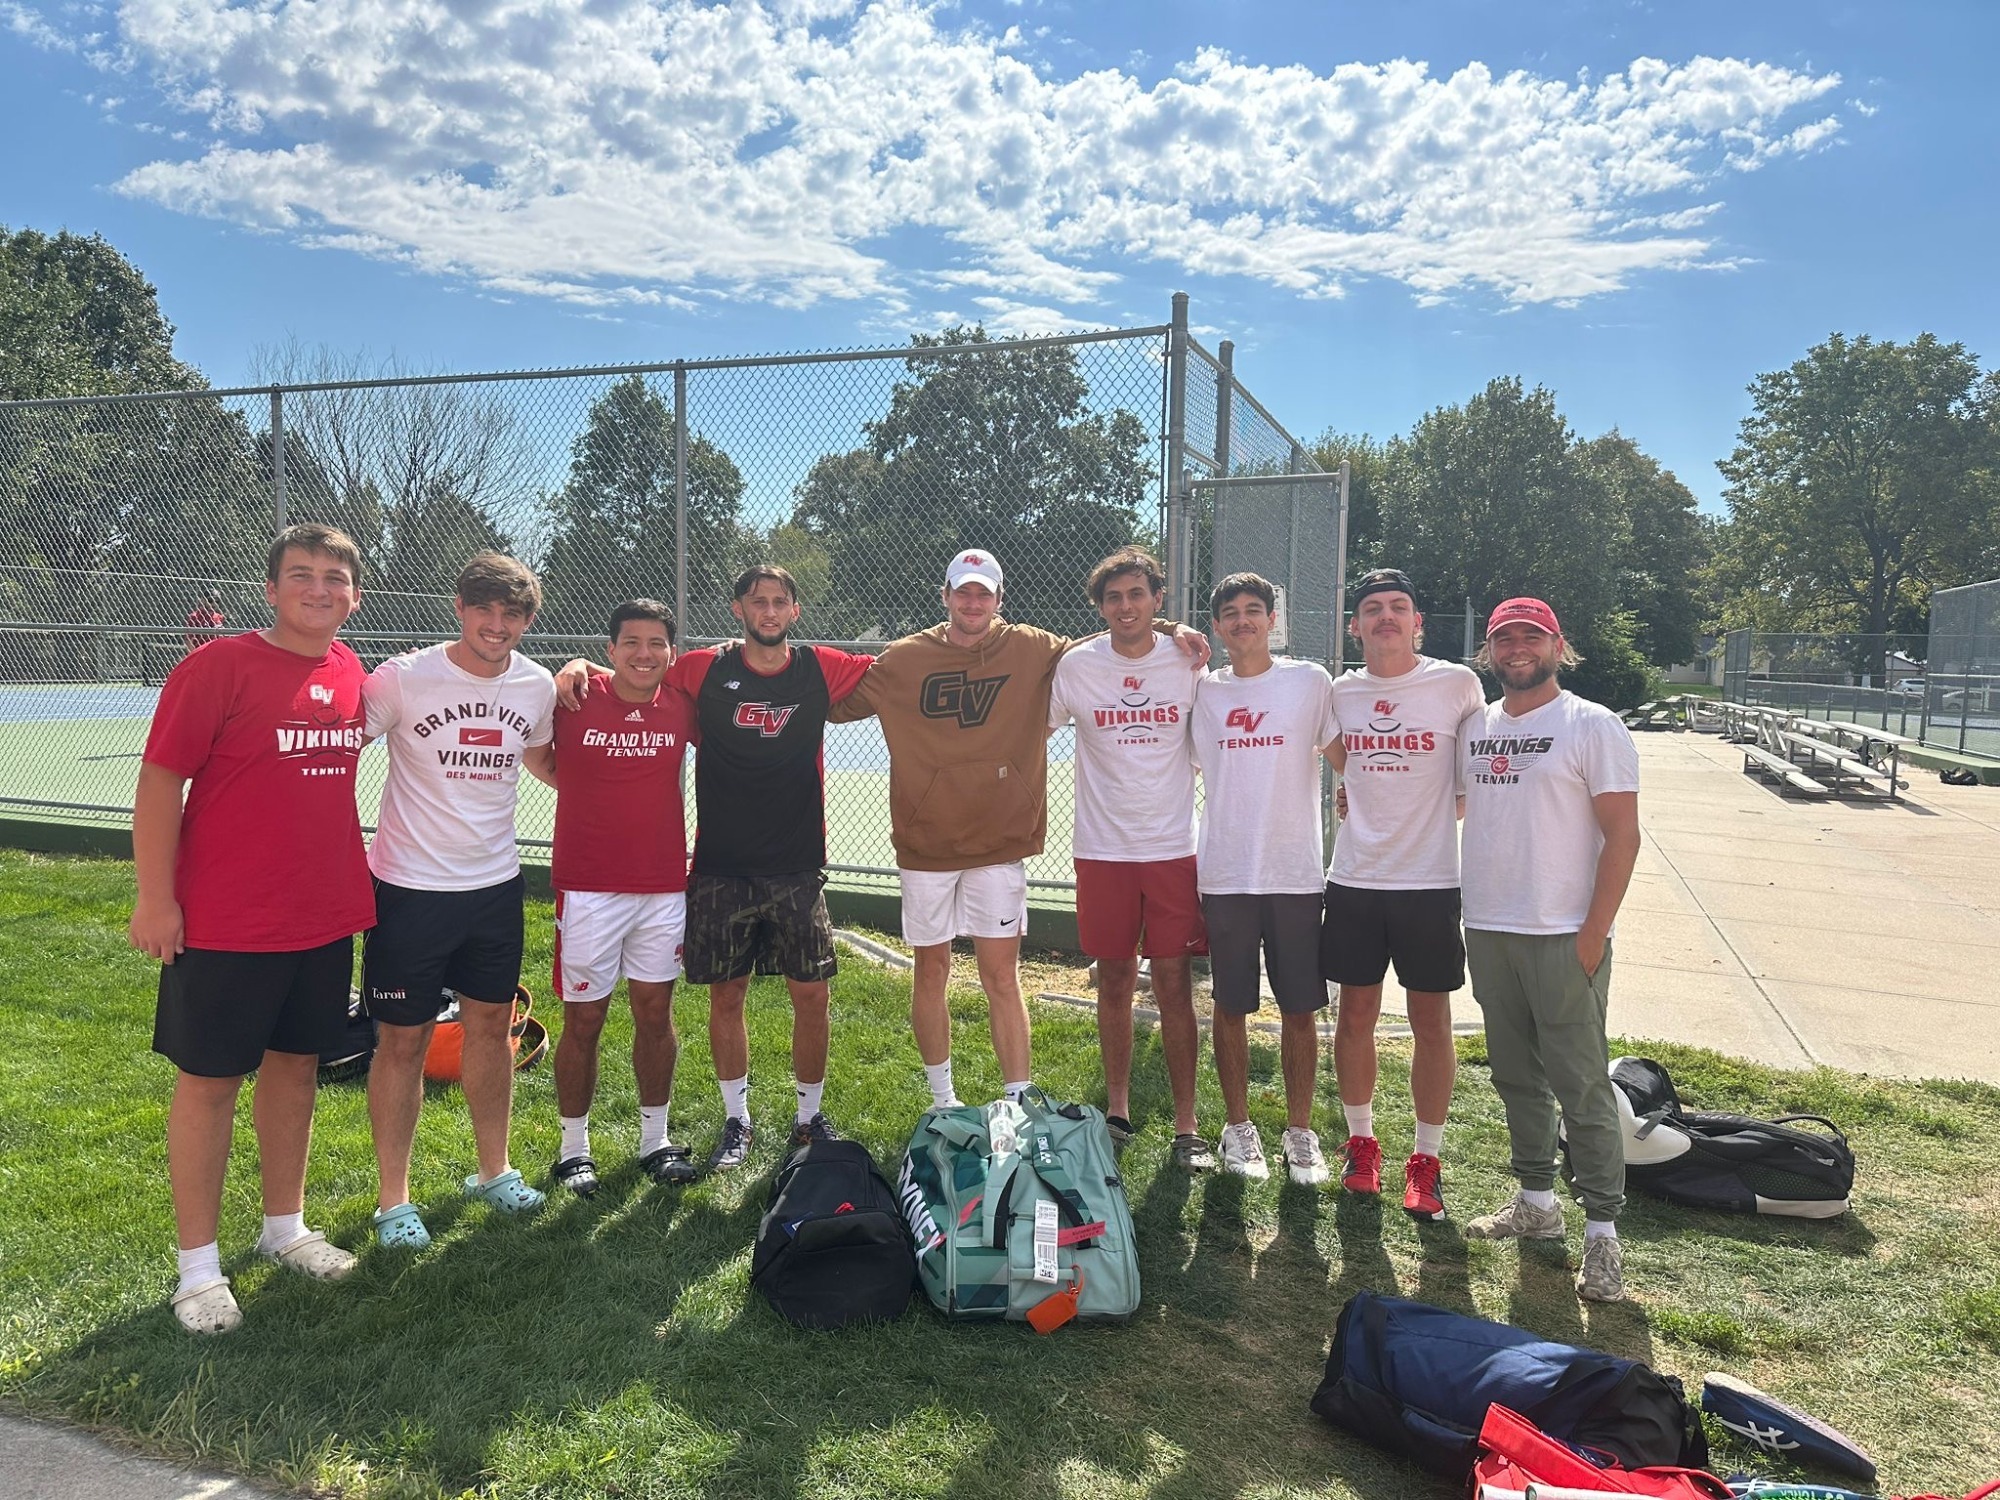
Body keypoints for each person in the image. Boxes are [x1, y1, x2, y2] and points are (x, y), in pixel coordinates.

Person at [831, 549, 1205, 1112]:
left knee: (1000, 975)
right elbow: (834, 705)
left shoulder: (1032, 646)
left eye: (984, 593)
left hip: (1000, 844)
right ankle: (942, 1101)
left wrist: (1174, 628)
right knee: (930, 970)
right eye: (963, 591)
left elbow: (1115, 636)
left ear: (999, 600)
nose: (973, 602)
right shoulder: (903, 659)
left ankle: (1017, 1099)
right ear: (946, 596)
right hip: (925, 844)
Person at [130, 523, 373, 1334]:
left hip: (321, 916)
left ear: (354, 595)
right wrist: (155, 899)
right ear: (270, 590)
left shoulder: (348, 670)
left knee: (297, 1069)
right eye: (300, 575)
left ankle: (283, 1229)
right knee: (209, 1084)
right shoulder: (218, 666)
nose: (318, 589)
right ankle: (197, 1270)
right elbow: (162, 781)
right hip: (227, 921)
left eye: (333, 577)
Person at [553, 565, 874, 1174]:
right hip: (719, 866)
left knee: (812, 995)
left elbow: (894, 675)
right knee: (726, 995)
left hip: (797, 866)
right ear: (738, 609)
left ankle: (809, 1118)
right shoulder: (700, 670)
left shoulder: (820, 667)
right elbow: (633, 669)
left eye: (781, 601)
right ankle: (737, 1119)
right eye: (759, 601)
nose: (770, 611)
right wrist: (578, 667)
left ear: (796, 611)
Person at [361, 551, 556, 1247]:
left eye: (513, 614)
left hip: (495, 891)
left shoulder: (536, 687)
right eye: (485, 609)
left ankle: (494, 1169)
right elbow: (334, 748)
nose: (497, 625)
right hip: (408, 891)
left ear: (528, 620)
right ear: (460, 608)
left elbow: (544, 759)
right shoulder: (404, 678)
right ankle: (393, 1200)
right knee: (402, 1043)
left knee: (492, 1030)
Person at [1458, 597, 1641, 1303]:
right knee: (1515, 1076)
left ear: (1558, 646)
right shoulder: (1477, 726)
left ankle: (1602, 1234)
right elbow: (1457, 804)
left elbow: (1622, 836)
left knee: (1582, 1084)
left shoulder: (1591, 725)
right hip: (1492, 927)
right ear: (1490, 651)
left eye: (1531, 636)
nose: (1517, 648)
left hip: (1565, 933)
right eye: (1505, 638)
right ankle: (1536, 1201)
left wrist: (1593, 931)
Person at [1321, 568, 1487, 1219]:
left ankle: (1426, 1160)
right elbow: (1346, 761)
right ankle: (1362, 1145)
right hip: (1356, 878)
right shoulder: (1339, 693)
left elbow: (1471, 780)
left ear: (1418, 622)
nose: (1385, 617)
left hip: (1430, 882)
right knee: (1355, 1015)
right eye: (1372, 609)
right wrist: (1358, 789)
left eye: (1398, 607)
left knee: (1429, 1021)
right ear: (1355, 625)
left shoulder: (1457, 685)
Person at [523, 599, 698, 1195]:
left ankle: (655, 1140)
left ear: (671, 653)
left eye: (656, 644)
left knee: (655, 1014)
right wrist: (585, 787)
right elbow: (538, 757)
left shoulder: (681, 705)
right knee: (586, 1019)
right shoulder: (574, 697)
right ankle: (574, 1150)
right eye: (631, 643)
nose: (643, 654)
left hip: (662, 888)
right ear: (610, 650)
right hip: (589, 888)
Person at [1048, 546, 1213, 1170]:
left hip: (1173, 848)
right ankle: (1116, 1110)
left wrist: (1180, 633)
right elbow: (1038, 723)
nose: (1126, 606)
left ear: (1157, 600)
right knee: (1114, 979)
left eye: (1136, 595)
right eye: (1113, 598)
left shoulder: (1188, 660)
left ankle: (1187, 1123)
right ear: (1100, 607)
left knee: (1173, 982)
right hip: (1102, 849)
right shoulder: (1078, 666)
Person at [1190, 572, 1341, 1184]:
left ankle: (1300, 1133)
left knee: (1299, 1009)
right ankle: (1237, 1127)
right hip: (1225, 874)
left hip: (1295, 873)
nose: (1244, 620)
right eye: (1231, 612)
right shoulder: (1201, 691)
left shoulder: (1309, 683)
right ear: (1218, 625)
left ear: (1273, 619)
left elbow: (1346, 758)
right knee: (1230, 1006)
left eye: (1255, 610)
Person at [183, 592, 225, 658]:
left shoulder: (219, 617)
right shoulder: (195, 617)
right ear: (203, 600)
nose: (214, 604)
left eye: (217, 601)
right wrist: (195, 656)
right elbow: (189, 640)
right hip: (201, 653)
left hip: (216, 654)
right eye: (210, 600)